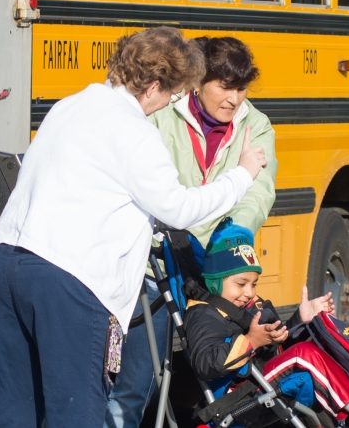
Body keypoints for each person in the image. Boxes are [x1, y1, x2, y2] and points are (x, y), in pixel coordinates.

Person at [0, 26, 270, 427]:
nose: (169, 103)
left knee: (16, 411)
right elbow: (179, 208)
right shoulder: (132, 129)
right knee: (75, 413)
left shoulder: (71, 105)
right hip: (69, 281)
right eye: (172, 93)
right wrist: (242, 174)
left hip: (9, 263)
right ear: (154, 85)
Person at [107, 35, 279, 428]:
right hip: (154, 268)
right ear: (198, 82)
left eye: (241, 88)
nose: (234, 99)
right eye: (224, 86)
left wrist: (227, 240)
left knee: (230, 373)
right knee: (135, 381)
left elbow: (258, 194)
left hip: (214, 274)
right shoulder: (161, 114)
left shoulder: (256, 125)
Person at [176, 221, 334, 409]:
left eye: (254, 284)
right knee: (306, 356)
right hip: (239, 393)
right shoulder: (203, 312)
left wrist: (301, 319)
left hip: (262, 378)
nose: (250, 292)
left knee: (328, 346)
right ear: (216, 282)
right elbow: (206, 363)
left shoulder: (251, 305)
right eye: (241, 284)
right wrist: (251, 341)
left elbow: (278, 346)